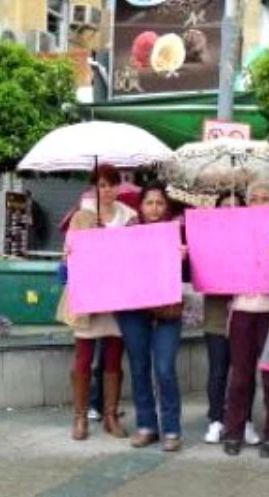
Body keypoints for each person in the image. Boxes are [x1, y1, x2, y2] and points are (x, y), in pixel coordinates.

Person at [60, 164, 132, 443]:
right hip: (88, 296)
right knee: (84, 356)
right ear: (94, 188)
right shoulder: (82, 217)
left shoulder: (129, 217)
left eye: (112, 184)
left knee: (114, 355)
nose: (107, 190)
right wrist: (70, 251)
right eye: (101, 185)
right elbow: (69, 255)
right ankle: (80, 417)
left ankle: (110, 414)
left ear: (119, 187)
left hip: (118, 296)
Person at [115, 182, 184, 452]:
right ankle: (147, 426)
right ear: (140, 207)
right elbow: (109, 265)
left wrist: (184, 259)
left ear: (166, 207)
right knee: (139, 367)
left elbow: (194, 274)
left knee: (165, 369)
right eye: (149, 203)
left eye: (159, 203)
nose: (154, 209)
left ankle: (172, 429)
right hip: (132, 310)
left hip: (167, 311)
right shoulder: (126, 235)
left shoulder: (177, 234)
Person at [223, 183, 269, 458]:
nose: (260, 202)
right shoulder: (235, 232)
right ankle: (234, 430)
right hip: (242, 310)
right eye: (254, 198)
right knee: (240, 376)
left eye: (266, 198)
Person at [202, 191, 261, 446]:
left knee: (245, 370)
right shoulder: (207, 236)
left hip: (246, 309)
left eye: (236, 206)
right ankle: (216, 419)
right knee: (218, 369)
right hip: (217, 312)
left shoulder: (253, 236)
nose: (230, 210)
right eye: (225, 206)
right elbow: (194, 270)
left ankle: (245, 419)